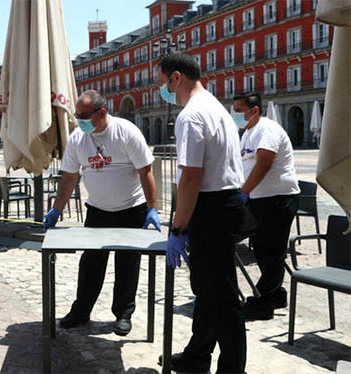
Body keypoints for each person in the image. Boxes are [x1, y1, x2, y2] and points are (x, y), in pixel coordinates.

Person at [43, 90, 160, 336]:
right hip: (97, 210)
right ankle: (81, 311)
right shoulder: (78, 139)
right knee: (91, 263)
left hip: (131, 209)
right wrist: (56, 209)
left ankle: (123, 314)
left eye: (84, 115)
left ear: (102, 112)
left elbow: (145, 171)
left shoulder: (126, 132)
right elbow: (69, 178)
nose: (79, 120)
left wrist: (152, 208)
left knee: (127, 264)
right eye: (77, 115)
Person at [158, 53, 246, 373]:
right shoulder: (216, 107)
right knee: (208, 291)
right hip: (225, 203)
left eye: (162, 82)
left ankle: (233, 368)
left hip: (210, 209)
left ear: (176, 78)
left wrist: (178, 229)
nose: (162, 90)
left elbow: (191, 177)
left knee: (220, 296)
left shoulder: (190, 116)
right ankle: (197, 355)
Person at [232, 91, 300, 320]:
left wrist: (244, 192)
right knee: (262, 248)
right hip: (259, 199)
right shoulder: (247, 132)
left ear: (255, 110)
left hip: (278, 198)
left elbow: (264, 164)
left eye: (240, 110)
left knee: (272, 251)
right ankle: (276, 294)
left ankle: (264, 304)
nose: (236, 115)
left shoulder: (267, 130)